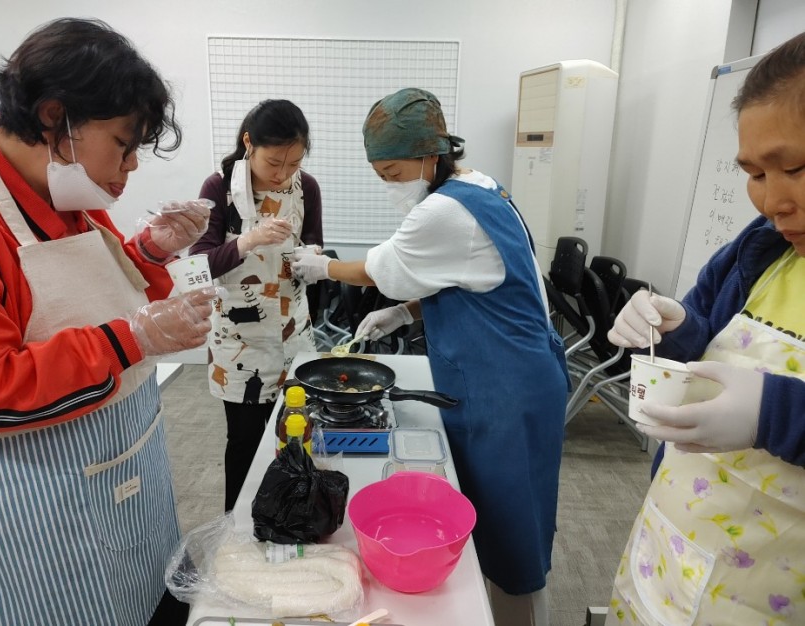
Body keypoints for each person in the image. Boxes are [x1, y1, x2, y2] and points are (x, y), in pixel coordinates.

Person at [0, 18, 217, 626]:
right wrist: (132, 338)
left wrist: (150, 252)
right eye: (123, 145)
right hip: (45, 499)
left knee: (156, 596)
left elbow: (99, 291)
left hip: (127, 460)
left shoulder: (64, 189)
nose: (130, 168)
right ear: (55, 118)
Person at [292, 87, 570, 626]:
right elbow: (473, 278)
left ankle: (521, 616)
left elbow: (380, 269)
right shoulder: (479, 186)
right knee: (489, 515)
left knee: (513, 528)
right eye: (381, 175)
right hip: (510, 373)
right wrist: (405, 313)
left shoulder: (444, 211)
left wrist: (321, 267)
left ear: (429, 154)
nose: (390, 185)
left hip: (507, 388)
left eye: (394, 173)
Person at [604, 32, 805, 625]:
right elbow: (702, 352)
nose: (771, 201)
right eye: (755, 173)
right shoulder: (761, 249)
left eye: (795, 168)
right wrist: (674, 328)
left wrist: (775, 413)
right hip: (673, 544)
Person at [191, 99, 323, 512]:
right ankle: (236, 527)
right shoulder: (218, 188)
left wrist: (314, 261)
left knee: (295, 436)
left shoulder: (307, 187)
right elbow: (199, 266)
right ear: (249, 143)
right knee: (245, 442)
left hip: (292, 333)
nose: (283, 174)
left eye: (293, 163)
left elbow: (313, 243)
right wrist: (248, 241)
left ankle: (292, 517)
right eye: (273, 163)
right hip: (238, 342)